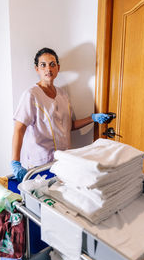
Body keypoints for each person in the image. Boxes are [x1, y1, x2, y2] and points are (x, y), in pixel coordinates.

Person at [11, 47, 111, 181]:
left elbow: (68, 126)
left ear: (58, 67)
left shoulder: (63, 94)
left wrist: (92, 118)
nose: (48, 69)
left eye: (52, 64)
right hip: (40, 163)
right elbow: (19, 129)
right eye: (43, 65)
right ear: (37, 69)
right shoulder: (31, 95)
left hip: (64, 160)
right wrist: (15, 162)